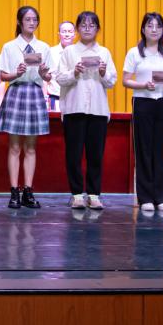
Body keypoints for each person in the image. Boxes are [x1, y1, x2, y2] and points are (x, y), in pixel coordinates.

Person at [55, 11, 117, 210]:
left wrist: (103, 72)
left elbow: (112, 81)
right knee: (73, 154)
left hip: (98, 110)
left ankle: (94, 194)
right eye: (83, 25)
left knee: (95, 154)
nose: (87, 28)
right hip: (74, 108)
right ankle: (76, 194)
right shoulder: (69, 52)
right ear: (77, 29)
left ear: (98, 29)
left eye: (92, 25)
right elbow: (59, 78)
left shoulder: (104, 52)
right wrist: (74, 72)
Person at [0, 6, 54, 209]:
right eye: (28, 19)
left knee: (30, 147)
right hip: (16, 92)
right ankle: (14, 191)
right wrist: (17, 73)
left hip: (35, 93)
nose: (31, 23)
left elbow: (48, 76)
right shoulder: (10, 47)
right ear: (19, 22)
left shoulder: (44, 47)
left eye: (34, 19)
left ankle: (28, 191)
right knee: (14, 147)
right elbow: (3, 76)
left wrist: (43, 72)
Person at [122, 12, 163, 213]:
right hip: (143, 102)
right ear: (143, 29)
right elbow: (125, 80)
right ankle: (145, 197)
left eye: (158, 26)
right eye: (150, 25)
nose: (154, 29)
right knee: (144, 150)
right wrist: (143, 85)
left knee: (161, 150)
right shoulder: (134, 53)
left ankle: (160, 197)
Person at [47, 21, 76, 111]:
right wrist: (45, 99)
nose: (67, 35)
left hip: (75, 99)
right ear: (59, 34)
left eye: (70, 32)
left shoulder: (80, 52)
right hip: (55, 97)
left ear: (74, 34)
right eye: (64, 32)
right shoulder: (50, 52)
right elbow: (44, 78)